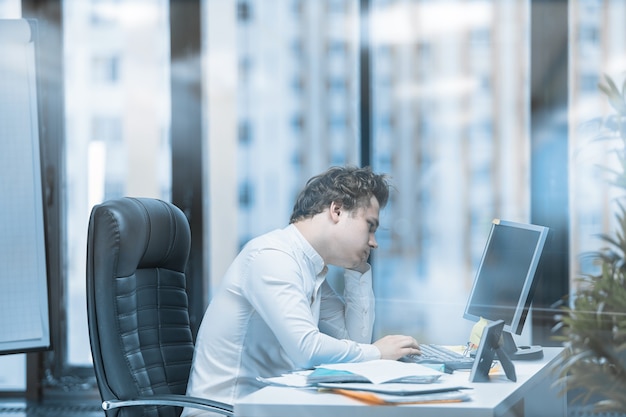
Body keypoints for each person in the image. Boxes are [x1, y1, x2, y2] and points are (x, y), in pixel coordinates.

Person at [183, 166, 421, 415]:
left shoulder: (311, 268)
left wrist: (358, 271)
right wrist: (378, 352)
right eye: (370, 227)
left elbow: (353, 343)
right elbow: (306, 350)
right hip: (226, 411)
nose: (374, 242)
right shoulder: (274, 258)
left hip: (268, 406)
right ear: (337, 210)